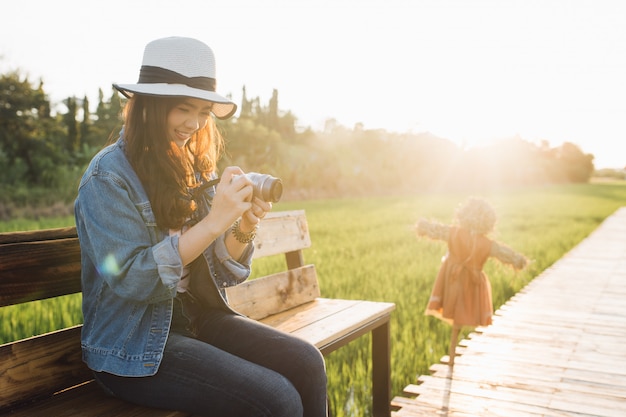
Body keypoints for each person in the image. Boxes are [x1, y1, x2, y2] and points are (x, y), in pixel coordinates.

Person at [74, 36, 327, 417]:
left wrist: (242, 224)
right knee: (275, 398)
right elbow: (132, 280)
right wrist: (213, 222)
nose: (194, 124)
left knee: (308, 362)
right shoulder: (106, 179)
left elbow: (225, 272)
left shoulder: (189, 169)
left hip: (198, 319)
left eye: (204, 112)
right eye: (183, 109)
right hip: (132, 345)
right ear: (149, 107)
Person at [415, 197, 528, 365]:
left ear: (463, 215)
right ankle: (453, 353)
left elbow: (434, 230)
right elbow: (507, 255)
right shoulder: (487, 244)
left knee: (455, 311)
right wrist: (519, 260)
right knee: (462, 311)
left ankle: (452, 356)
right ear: (489, 222)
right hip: (472, 284)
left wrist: (423, 227)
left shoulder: (453, 233)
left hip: (452, 279)